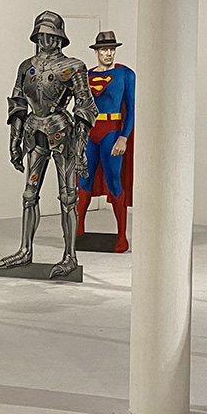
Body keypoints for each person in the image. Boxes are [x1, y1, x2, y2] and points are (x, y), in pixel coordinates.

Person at [0, 11, 95, 279]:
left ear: (58, 37)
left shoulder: (74, 66)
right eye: (41, 34)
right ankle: (25, 249)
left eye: (50, 34)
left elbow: (84, 107)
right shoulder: (26, 66)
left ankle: (70, 256)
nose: (45, 39)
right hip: (33, 132)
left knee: (68, 197)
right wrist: (14, 139)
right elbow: (18, 103)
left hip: (62, 133)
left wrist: (80, 149)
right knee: (29, 195)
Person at [75, 31, 135, 253]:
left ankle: (121, 236)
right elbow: (79, 107)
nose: (108, 53)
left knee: (114, 181)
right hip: (89, 132)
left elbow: (132, 109)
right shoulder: (86, 76)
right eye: (104, 50)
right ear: (96, 52)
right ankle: (78, 231)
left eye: (111, 49)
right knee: (84, 181)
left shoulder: (125, 74)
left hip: (112, 132)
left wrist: (124, 137)